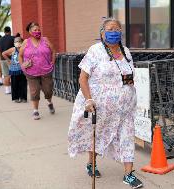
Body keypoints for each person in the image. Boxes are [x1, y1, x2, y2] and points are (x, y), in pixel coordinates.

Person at [68, 18, 143, 188]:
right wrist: (88, 99)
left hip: (125, 106)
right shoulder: (95, 51)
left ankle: (128, 174)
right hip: (100, 106)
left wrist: (129, 81)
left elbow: (129, 73)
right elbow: (83, 78)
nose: (114, 31)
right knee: (98, 135)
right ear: (102, 33)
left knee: (127, 137)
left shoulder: (126, 52)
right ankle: (91, 163)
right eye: (110, 28)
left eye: (117, 28)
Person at [18, 22, 56, 120]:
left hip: (46, 70)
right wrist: (22, 66)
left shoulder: (45, 40)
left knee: (48, 90)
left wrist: (52, 63)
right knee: (34, 92)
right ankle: (35, 111)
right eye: (35, 30)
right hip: (31, 72)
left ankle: (49, 102)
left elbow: (53, 51)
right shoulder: (26, 42)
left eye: (38, 29)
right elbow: (20, 55)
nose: (37, 31)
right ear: (30, 32)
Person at [2, 36, 27, 103]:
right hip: (14, 70)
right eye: (16, 41)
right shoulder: (13, 49)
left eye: (19, 41)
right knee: (15, 84)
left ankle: (23, 97)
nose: (17, 43)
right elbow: (3, 53)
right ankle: (16, 98)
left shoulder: (24, 49)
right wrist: (9, 60)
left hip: (22, 69)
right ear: (14, 43)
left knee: (23, 84)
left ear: (22, 42)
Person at [0, 26, 14, 94]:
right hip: (11, 59)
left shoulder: (0, 39)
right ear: (10, 31)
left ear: (4, 32)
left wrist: (0, 58)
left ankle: (7, 90)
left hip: (2, 59)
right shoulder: (13, 38)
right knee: (13, 75)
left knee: (6, 75)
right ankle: (14, 89)